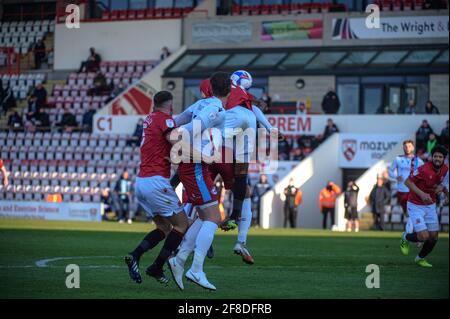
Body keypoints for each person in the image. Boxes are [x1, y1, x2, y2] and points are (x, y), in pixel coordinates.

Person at [167, 72, 232, 291]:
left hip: (196, 166)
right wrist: (199, 154)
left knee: (204, 216)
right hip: (195, 166)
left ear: (211, 88)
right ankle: (195, 269)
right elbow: (182, 131)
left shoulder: (201, 104)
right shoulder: (215, 109)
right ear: (230, 90)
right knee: (214, 217)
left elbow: (174, 122)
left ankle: (180, 260)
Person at [124, 90, 189, 286]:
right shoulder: (166, 120)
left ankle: (134, 256)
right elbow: (176, 144)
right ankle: (157, 266)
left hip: (141, 182)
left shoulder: (149, 118)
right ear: (170, 105)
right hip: (155, 181)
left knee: (164, 227)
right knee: (182, 225)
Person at [400, 145, 449, 268]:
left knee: (433, 237)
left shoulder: (445, 169)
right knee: (423, 236)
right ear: (432, 157)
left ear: (444, 159)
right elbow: (407, 182)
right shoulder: (423, 169)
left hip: (430, 205)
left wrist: (445, 193)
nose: (438, 158)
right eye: (435, 156)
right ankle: (405, 237)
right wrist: (421, 194)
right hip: (415, 205)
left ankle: (420, 258)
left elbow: (443, 184)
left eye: (440, 157)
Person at [389, 140, 424, 216]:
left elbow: (423, 174)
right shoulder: (398, 159)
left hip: (413, 190)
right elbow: (390, 171)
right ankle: (410, 224)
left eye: (409, 146)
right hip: (401, 189)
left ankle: (411, 226)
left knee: (411, 211)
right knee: (406, 213)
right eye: (406, 146)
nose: (407, 148)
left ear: (413, 148)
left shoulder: (419, 161)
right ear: (403, 148)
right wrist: (396, 176)